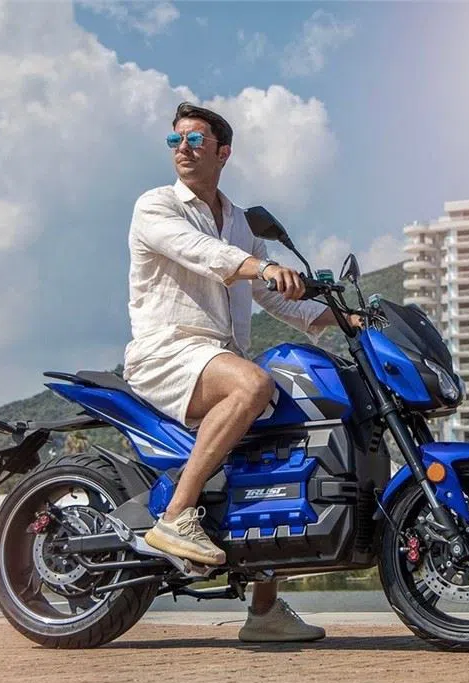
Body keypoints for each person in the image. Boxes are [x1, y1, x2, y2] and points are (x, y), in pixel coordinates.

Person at [123, 102, 361, 642]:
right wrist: (264, 265)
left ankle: (264, 610)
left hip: (218, 357)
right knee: (255, 383)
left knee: (290, 437)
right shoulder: (156, 205)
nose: (183, 149)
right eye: (176, 140)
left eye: (196, 140)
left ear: (223, 152)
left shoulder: (238, 222)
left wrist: (347, 318)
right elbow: (202, 253)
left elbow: (273, 298)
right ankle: (175, 516)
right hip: (169, 350)